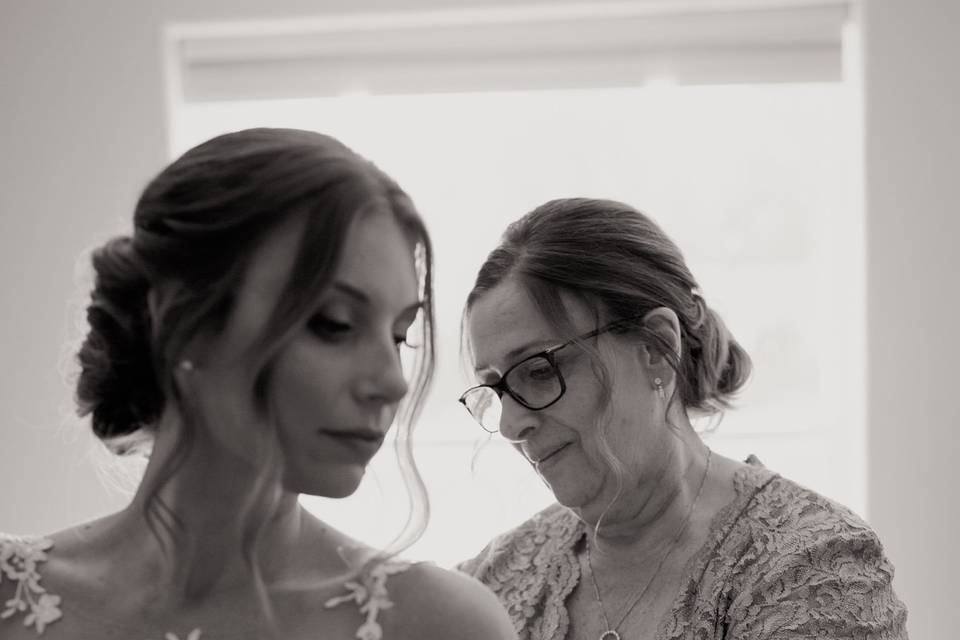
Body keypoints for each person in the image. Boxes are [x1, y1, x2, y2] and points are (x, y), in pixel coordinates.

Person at [0, 128, 516, 640]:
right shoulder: (10, 596)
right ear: (186, 325)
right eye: (334, 324)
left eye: (400, 336)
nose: (391, 382)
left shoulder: (440, 625)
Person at [456, 198, 908, 640]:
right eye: (495, 389)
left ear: (655, 346)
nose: (511, 426)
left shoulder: (812, 566)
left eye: (538, 371)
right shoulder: (494, 581)